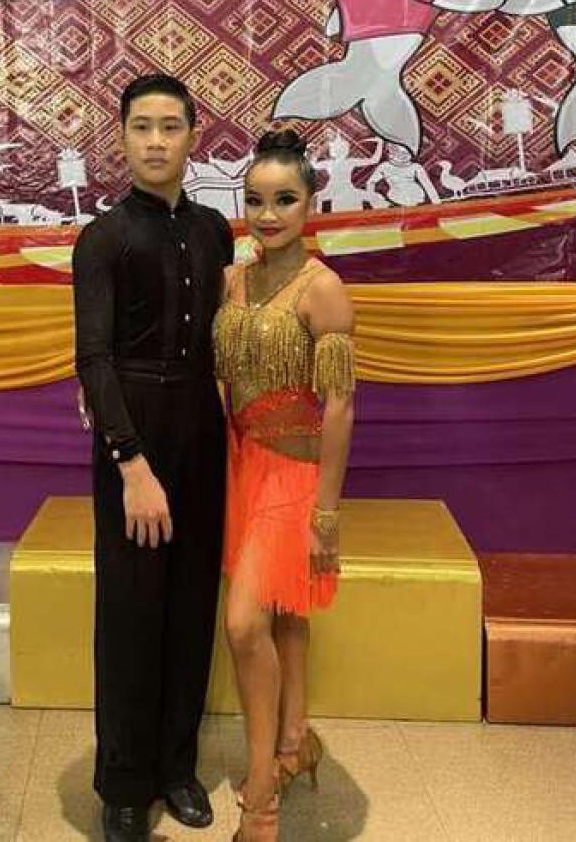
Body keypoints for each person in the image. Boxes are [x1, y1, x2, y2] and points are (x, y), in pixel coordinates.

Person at [73, 74, 234, 842]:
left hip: (201, 424)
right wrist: (131, 464)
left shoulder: (214, 231)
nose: (157, 141)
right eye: (142, 126)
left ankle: (177, 767)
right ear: (122, 135)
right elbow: (93, 359)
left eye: (171, 126)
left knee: (191, 603)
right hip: (133, 433)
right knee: (131, 611)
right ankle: (124, 783)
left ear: (193, 135)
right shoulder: (103, 239)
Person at [213, 129, 356, 842]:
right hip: (241, 465)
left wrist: (325, 513)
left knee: (245, 623)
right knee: (283, 615)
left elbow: (340, 406)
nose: (267, 215)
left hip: (294, 475)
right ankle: (296, 741)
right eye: (255, 200)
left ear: (310, 205)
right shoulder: (234, 279)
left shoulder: (322, 288)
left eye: (284, 200)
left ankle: (263, 790)